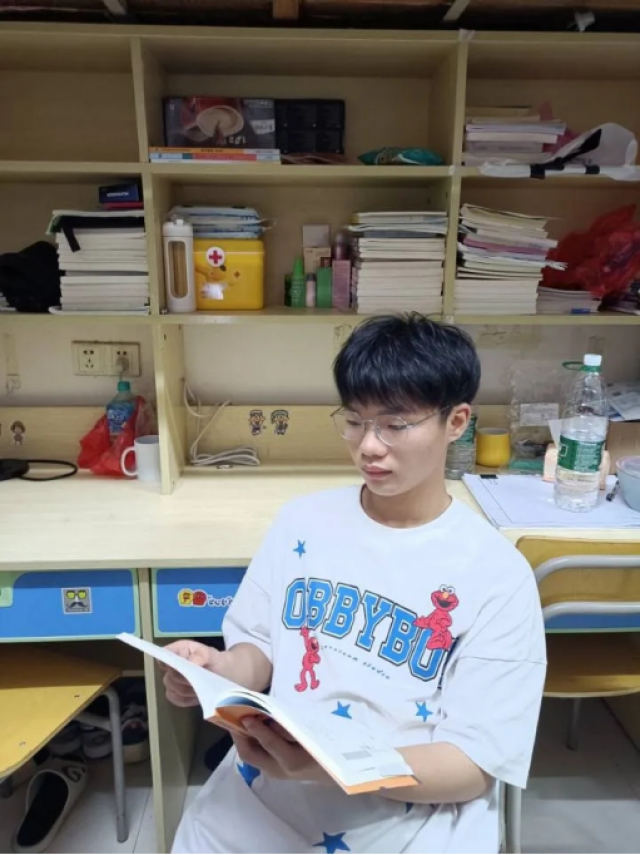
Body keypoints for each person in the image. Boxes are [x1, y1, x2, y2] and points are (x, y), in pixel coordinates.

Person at [164, 314, 546, 854]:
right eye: (354, 421)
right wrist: (215, 671)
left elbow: (472, 766)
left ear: (456, 421)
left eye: (396, 424)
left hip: (409, 813)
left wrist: (330, 768)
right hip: (268, 789)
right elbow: (261, 650)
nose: (369, 446)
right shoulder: (301, 523)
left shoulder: (497, 574)